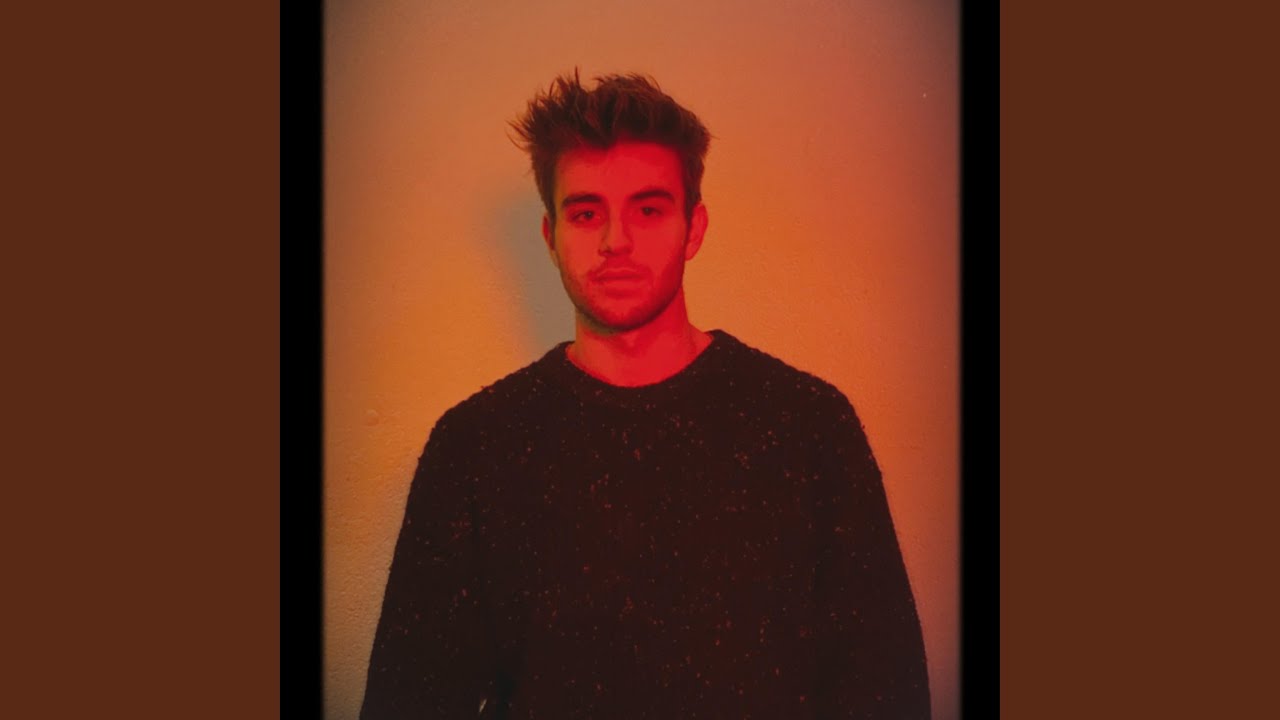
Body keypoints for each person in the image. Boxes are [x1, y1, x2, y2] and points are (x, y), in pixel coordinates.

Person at [359, 70, 931, 719]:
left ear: (694, 228)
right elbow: (412, 701)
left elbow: (885, 692)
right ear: (551, 237)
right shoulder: (473, 448)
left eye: (649, 209)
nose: (616, 241)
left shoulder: (810, 427)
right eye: (586, 213)